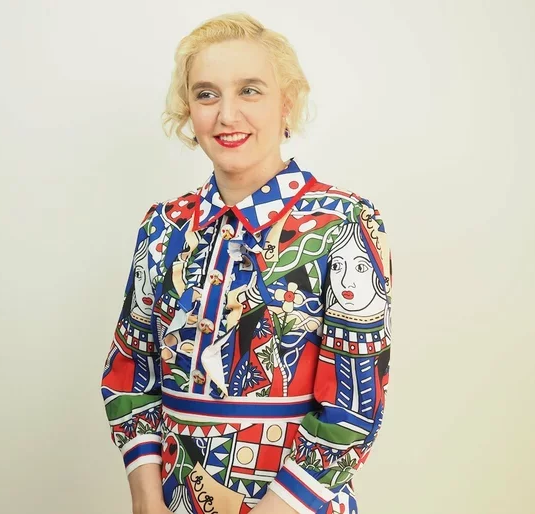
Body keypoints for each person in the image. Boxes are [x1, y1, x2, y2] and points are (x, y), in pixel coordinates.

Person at [101, 12, 393, 514]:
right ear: (188, 110)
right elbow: (131, 377)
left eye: (250, 91)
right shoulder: (163, 226)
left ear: (287, 103)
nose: (227, 115)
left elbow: (353, 411)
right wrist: (147, 501)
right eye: (206, 94)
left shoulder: (342, 223)